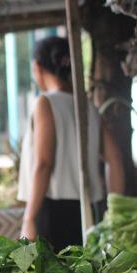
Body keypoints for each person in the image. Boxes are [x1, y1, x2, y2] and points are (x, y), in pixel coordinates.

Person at [18, 36, 124, 250]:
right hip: (89, 208)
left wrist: (29, 218)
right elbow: (115, 159)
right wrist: (116, 212)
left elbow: (44, 163)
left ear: (37, 67)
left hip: (53, 211)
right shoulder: (88, 106)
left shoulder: (45, 103)